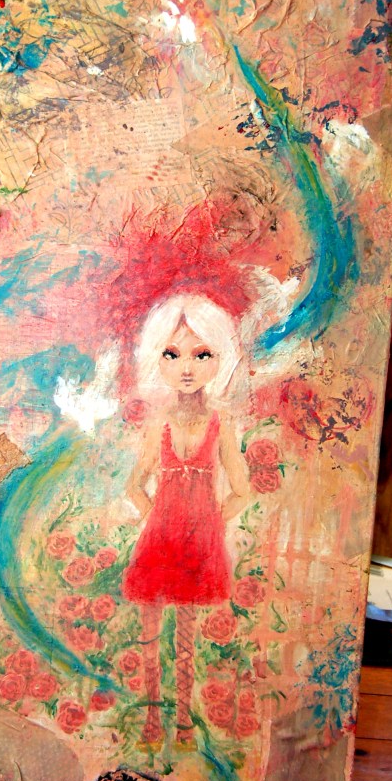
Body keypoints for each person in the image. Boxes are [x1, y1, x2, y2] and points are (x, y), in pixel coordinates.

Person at [123, 294, 250, 747]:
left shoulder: (220, 423)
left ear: (220, 359)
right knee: (150, 638)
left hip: (198, 548)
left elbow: (242, 490)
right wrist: (159, 519)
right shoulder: (157, 425)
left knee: (186, 640)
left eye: (202, 354)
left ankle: (182, 721)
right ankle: (150, 720)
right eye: (173, 355)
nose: (187, 368)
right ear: (156, 359)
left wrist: (210, 523)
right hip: (159, 545)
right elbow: (134, 485)